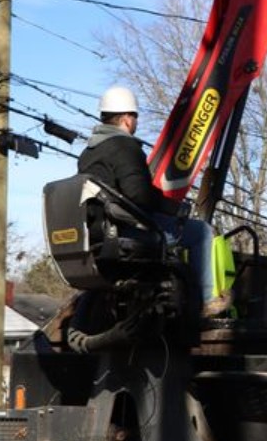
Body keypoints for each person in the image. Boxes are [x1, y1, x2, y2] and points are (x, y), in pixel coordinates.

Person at [79, 85, 227, 316]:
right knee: (201, 232)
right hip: (127, 233)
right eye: (135, 118)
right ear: (127, 119)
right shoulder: (125, 147)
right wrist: (175, 209)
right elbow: (139, 196)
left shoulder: (87, 154)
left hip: (99, 236)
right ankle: (205, 302)